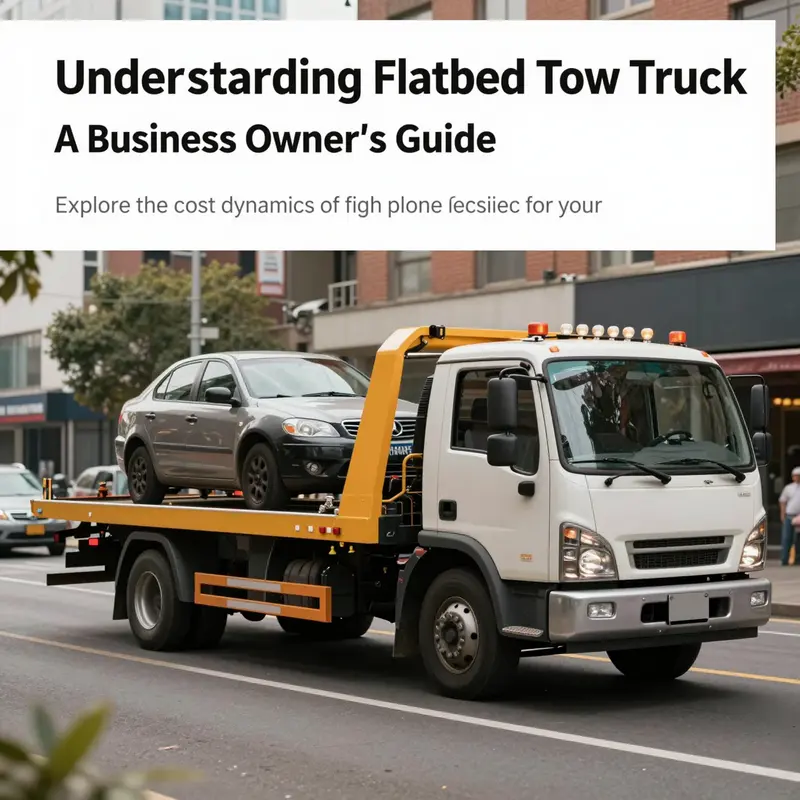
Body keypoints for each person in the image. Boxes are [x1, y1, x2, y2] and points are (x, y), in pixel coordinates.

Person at [779, 467, 800, 565]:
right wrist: (782, 514)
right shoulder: (788, 488)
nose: (797, 477)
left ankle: (797, 560)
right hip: (789, 516)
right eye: (796, 475)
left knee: (798, 539)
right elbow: (783, 501)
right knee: (787, 538)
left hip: (799, 517)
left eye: (798, 476)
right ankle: (784, 559)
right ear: (793, 477)